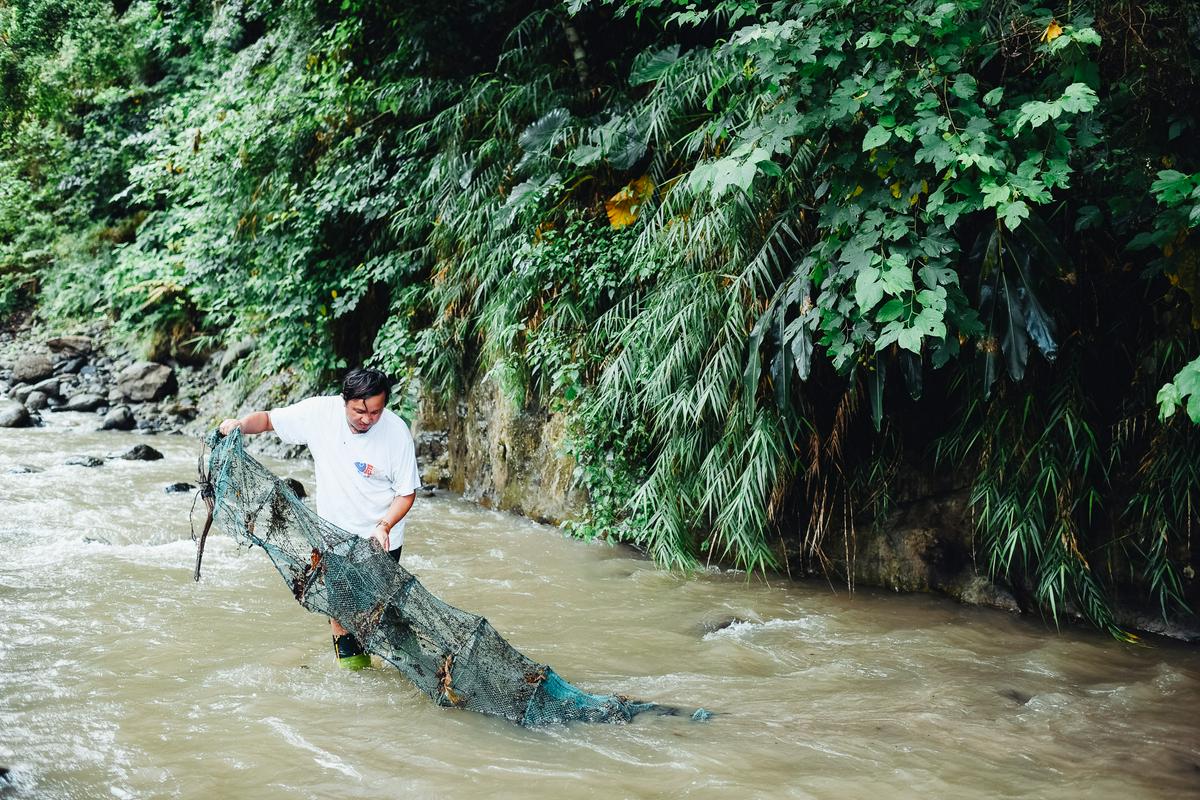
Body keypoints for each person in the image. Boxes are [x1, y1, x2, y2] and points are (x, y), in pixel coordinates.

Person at [218, 367, 420, 670]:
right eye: (359, 411)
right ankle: (355, 677)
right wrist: (239, 425)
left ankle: (410, 664)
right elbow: (269, 420)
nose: (367, 419)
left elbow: (406, 493)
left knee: (377, 612)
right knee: (340, 612)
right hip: (333, 537)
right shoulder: (318, 414)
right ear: (345, 401)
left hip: (380, 539)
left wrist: (384, 526)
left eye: (375, 412)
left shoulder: (396, 433)